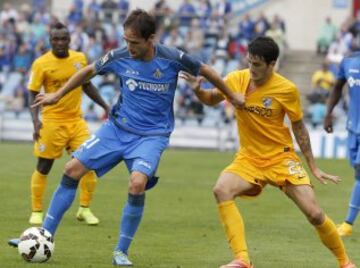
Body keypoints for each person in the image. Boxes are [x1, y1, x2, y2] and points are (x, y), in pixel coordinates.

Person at [9, 9, 244, 266]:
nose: (128, 47)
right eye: (126, 40)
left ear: (150, 39)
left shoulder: (172, 57)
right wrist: (56, 95)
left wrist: (231, 95)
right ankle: (44, 236)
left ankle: (121, 251)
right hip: (117, 129)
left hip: (152, 136)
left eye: (134, 42)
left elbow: (206, 70)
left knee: (136, 184)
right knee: (71, 169)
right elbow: (87, 72)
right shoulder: (119, 56)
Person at [181, 36, 356, 268]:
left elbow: (299, 127)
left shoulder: (286, 89)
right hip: (249, 158)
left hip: (281, 158)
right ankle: (242, 259)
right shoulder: (235, 79)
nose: (251, 69)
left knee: (314, 214)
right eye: (249, 62)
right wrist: (197, 91)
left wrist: (312, 166)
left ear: (272, 64)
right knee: (221, 190)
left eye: (258, 65)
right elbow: (211, 99)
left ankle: (345, 263)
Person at [26, 22, 109, 226]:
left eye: (64, 38)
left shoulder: (79, 59)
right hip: (52, 121)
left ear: (70, 39)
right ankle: (37, 210)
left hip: (76, 121)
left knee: (88, 164)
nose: (60, 42)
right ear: (50, 40)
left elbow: (87, 85)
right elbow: (33, 93)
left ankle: (84, 209)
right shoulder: (41, 63)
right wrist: (36, 121)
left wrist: (105, 106)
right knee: (44, 166)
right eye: (56, 39)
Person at [324, 51, 360, 237]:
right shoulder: (349, 61)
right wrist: (329, 113)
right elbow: (338, 87)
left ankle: (347, 224)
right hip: (353, 127)